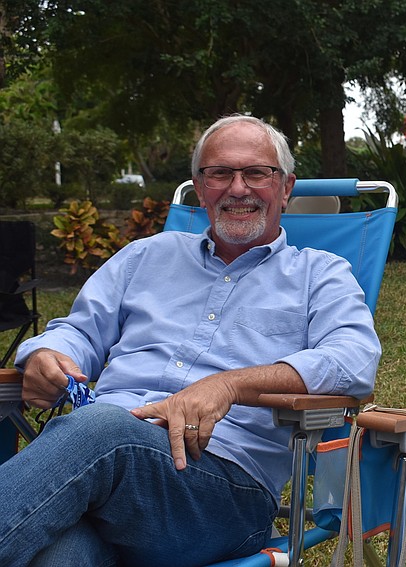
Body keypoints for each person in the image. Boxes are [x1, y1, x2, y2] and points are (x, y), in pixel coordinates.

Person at [0, 115, 381, 566]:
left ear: (285, 188)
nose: (238, 188)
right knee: (63, 554)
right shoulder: (145, 256)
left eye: (257, 173)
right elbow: (79, 330)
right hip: (100, 475)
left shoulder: (320, 274)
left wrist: (229, 385)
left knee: (102, 430)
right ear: (200, 189)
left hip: (220, 488)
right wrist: (47, 353)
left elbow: (353, 361)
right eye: (219, 173)